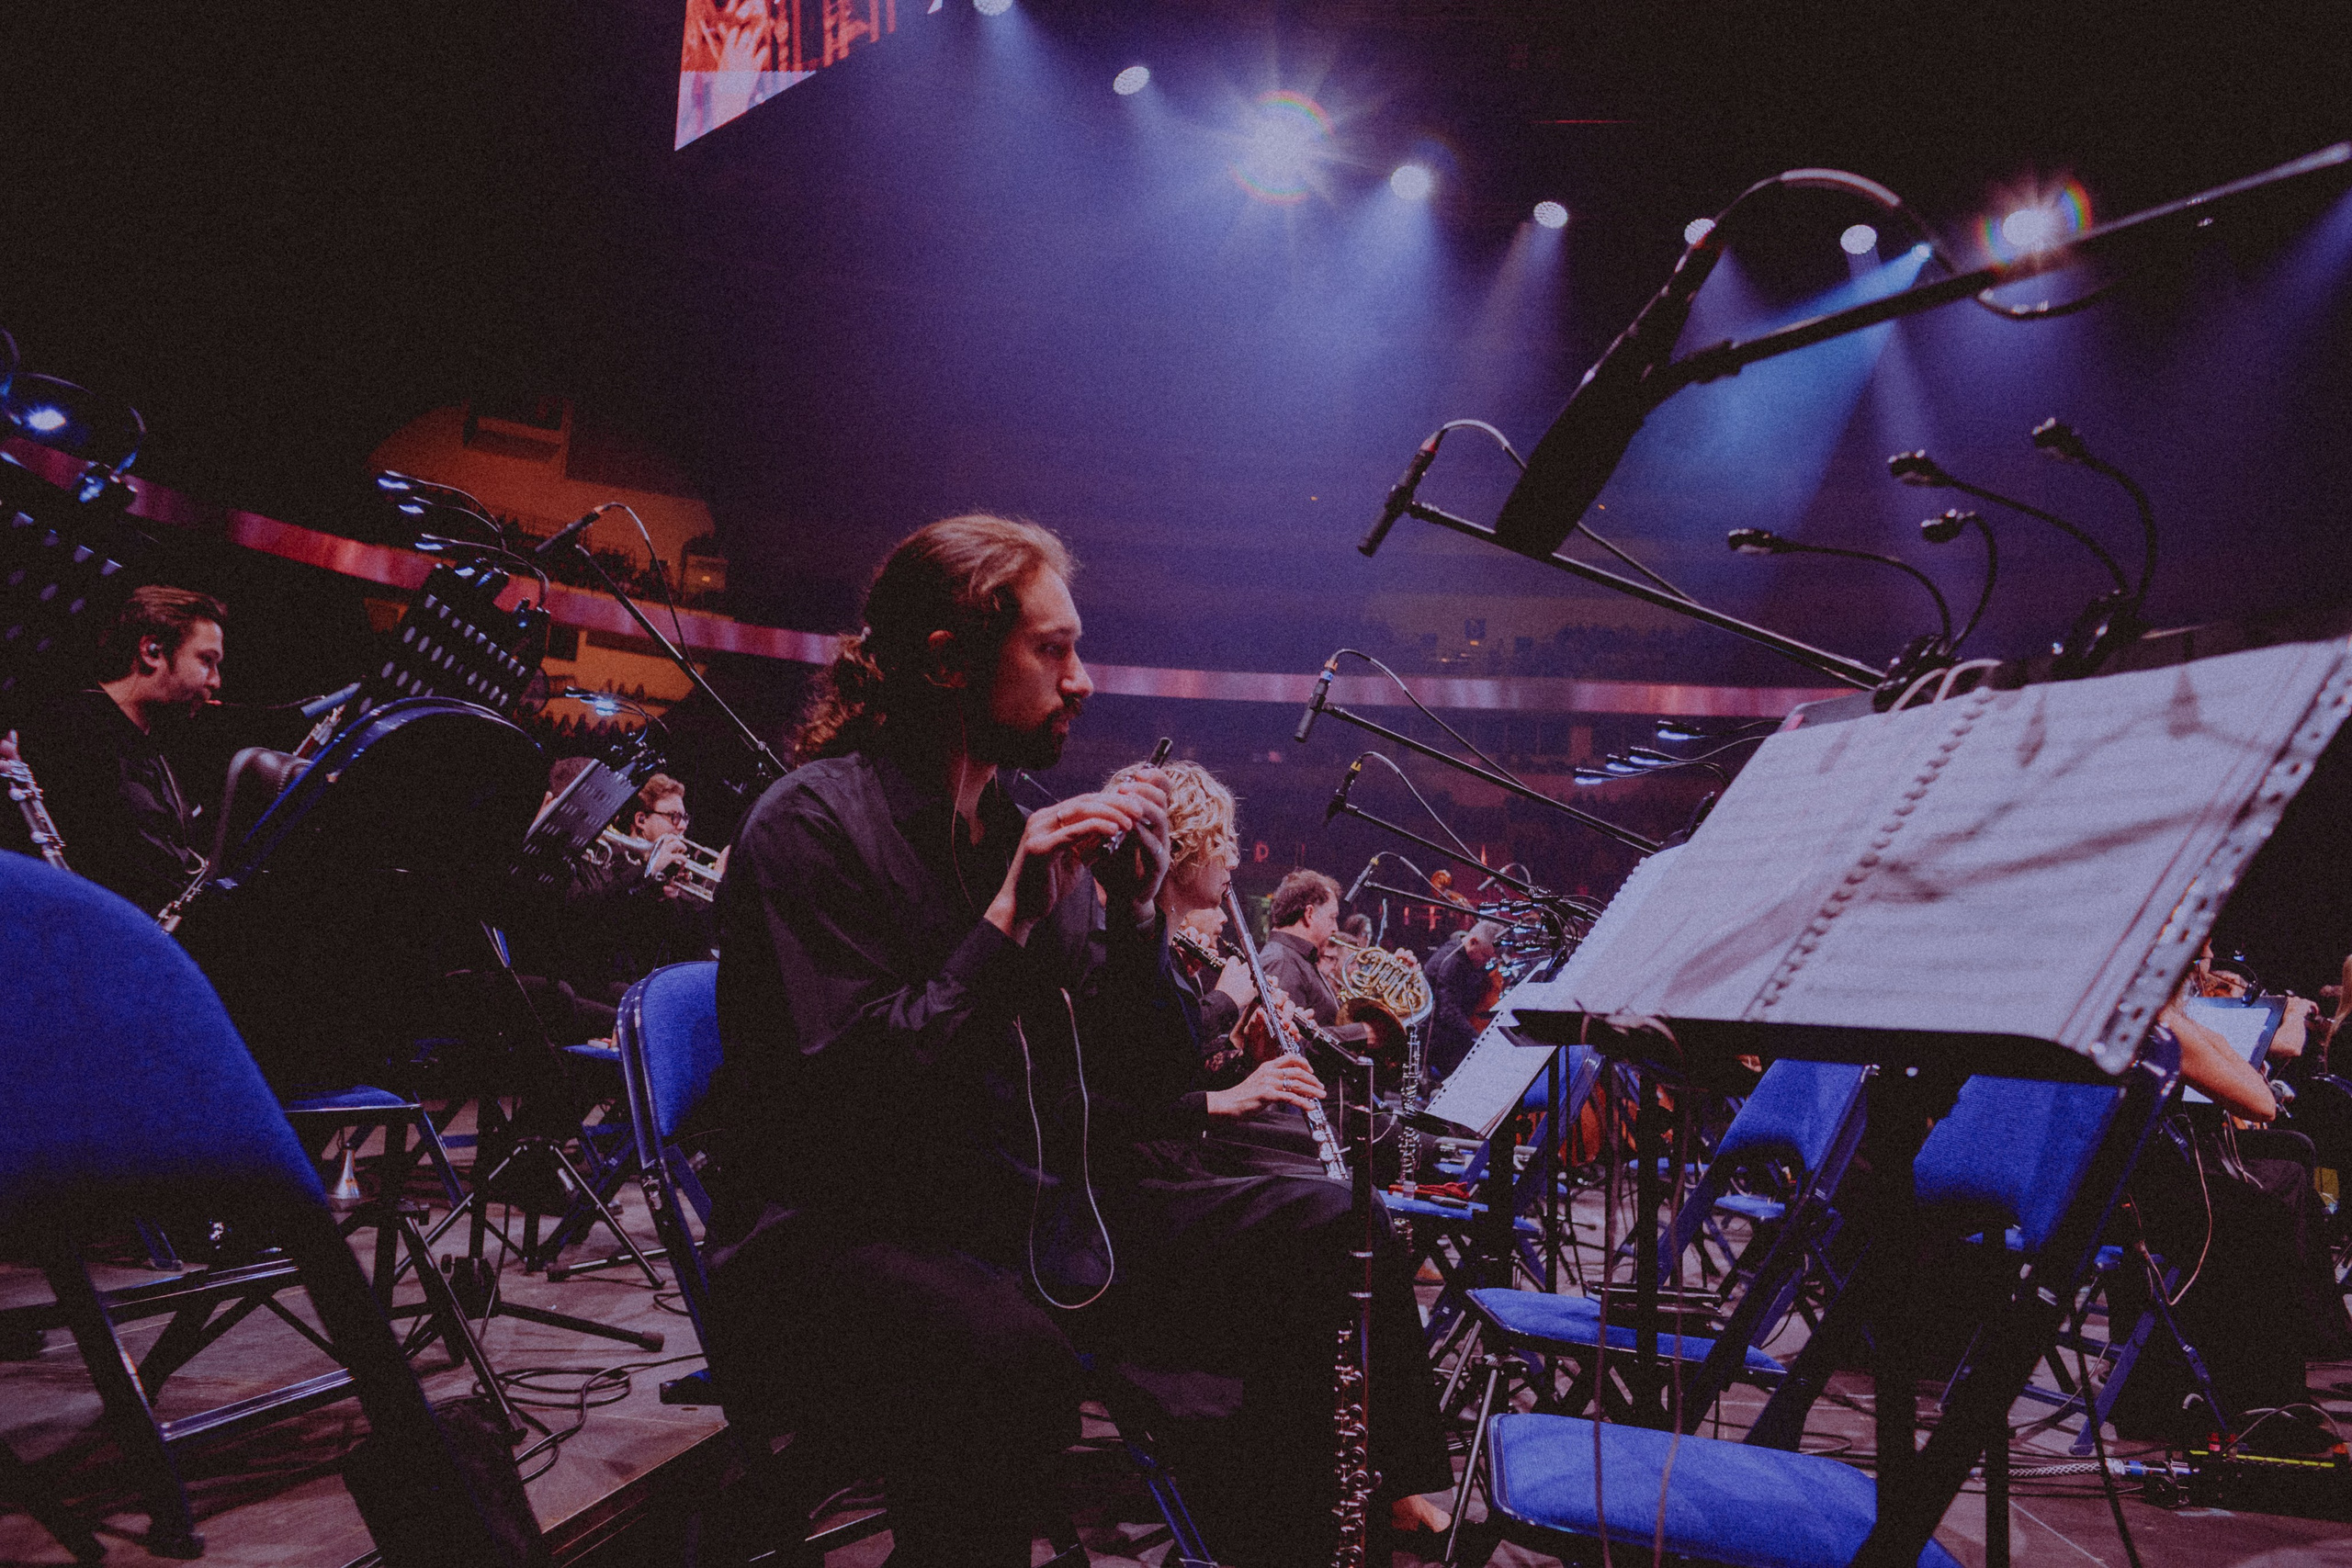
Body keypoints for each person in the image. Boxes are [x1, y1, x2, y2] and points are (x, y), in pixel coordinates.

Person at [705, 515, 1188, 1566]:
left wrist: (1143, 918)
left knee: (1321, 1222)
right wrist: (1003, 926)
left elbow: (1143, 1087)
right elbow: (845, 1106)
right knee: (1001, 1353)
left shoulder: (1030, 831)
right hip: (830, 1242)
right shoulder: (810, 827)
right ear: (947, 661)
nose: (1084, 680)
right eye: (1051, 651)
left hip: (1011, 1216)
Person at [1101, 758, 1454, 1553]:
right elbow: (1136, 1078)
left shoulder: (1154, 940)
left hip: (1166, 1158)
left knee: (1341, 1196)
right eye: (1221, 841)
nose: (1233, 860)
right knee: (1347, 1213)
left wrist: (1239, 1053)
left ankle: (1352, 1473)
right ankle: (1375, 1479)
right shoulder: (1124, 937)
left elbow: (1167, 1068)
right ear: (1182, 848)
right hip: (1135, 1187)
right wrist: (1229, 1013)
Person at [12, 586, 222, 915]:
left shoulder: (153, 748)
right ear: (152, 651)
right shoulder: (69, 730)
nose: (215, 681)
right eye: (206, 661)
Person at [1424, 919, 1501, 1079]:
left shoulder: (1467, 960)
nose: (1485, 962)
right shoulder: (1450, 962)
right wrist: (1476, 1038)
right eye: (1485, 956)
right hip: (1437, 1041)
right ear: (1473, 942)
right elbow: (1447, 1012)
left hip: (1451, 1035)